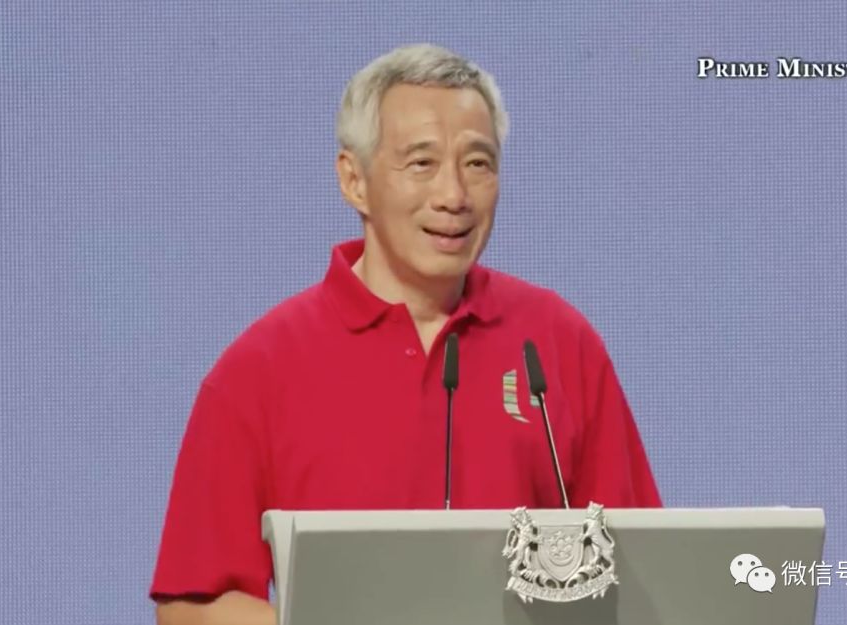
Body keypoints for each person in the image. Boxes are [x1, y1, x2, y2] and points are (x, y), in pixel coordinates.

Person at [150, 43, 662, 625]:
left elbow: (644, 570)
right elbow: (192, 604)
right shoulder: (259, 369)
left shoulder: (557, 343)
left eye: (478, 164)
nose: (454, 196)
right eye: (422, 164)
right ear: (354, 180)